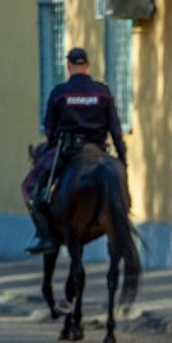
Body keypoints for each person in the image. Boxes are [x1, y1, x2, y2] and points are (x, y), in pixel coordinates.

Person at [22, 47, 127, 254]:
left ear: (69, 66)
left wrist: (53, 146)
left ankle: (45, 237)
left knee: (28, 187)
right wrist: (122, 160)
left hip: (67, 151)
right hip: (98, 149)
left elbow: (50, 131)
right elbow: (115, 129)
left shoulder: (59, 93)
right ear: (87, 65)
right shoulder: (102, 92)